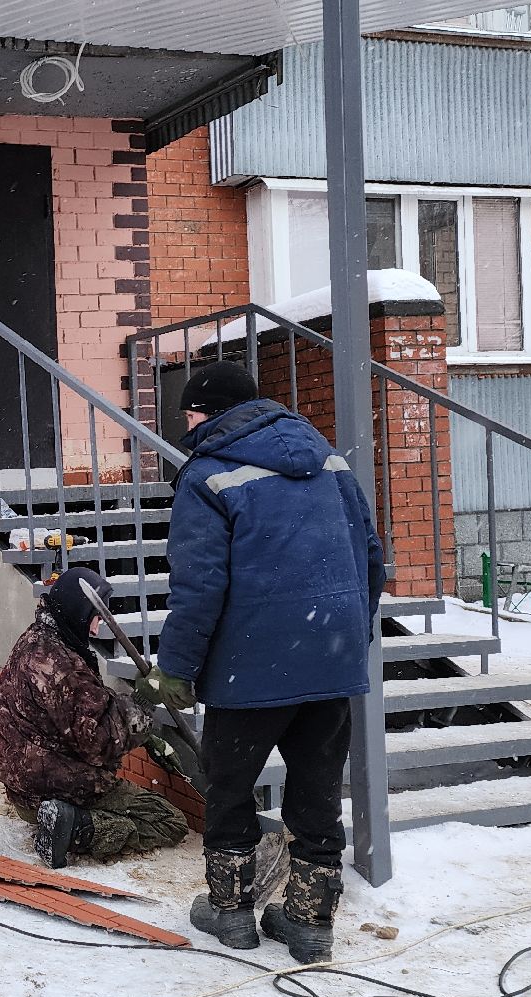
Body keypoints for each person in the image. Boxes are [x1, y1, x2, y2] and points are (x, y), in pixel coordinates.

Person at [135, 360, 383, 964]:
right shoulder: (330, 460)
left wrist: (175, 669)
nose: (186, 423)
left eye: (189, 412)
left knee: (229, 788)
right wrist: (351, 634)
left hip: (249, 668)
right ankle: (308, 921)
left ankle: (229, 912)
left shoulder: (208, 475)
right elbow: (371, 555)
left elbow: (198, 588)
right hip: (329, 659)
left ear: (207, 413)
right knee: (318, 791)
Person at [0, 567, 189, 869]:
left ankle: (64, 818)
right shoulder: (60, 665)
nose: (96, 629)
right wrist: (143, 701)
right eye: (95, 619)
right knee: (169, 821)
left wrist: (146, 737)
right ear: (77, 613)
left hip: (24, 783)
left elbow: (82, 712)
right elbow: (97, 743)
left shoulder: (37, 641)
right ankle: (76, 830)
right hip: (57, 783)